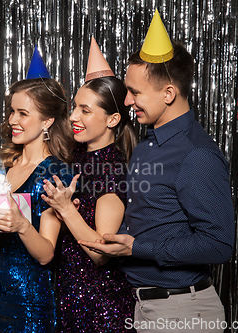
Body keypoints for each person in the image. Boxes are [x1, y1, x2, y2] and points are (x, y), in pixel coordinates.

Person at [80, 11, 235, 333]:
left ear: (168, 94)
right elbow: (151, 216)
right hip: (142, 305)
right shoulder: (147, 146)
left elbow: (219, 244)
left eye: (134, 92)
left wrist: (137, 248)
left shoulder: (196, 155)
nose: (126, 100)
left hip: (183, 311)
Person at [41, 36, 137, 332]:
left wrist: (66, 210)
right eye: (74, 107)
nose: (72, 117)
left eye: (85, 110)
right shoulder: (75, 158)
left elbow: (100, 251)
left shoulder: (112, 168)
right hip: (70, 298)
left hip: (100, 307)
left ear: (112, 120)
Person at [0, 46, 76, 332]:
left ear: (47, 121)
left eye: (23, 113)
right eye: (12, 111)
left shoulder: (55, 173)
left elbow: (47, 253)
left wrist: (22, 225)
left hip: (28, 301)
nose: (12, 120)